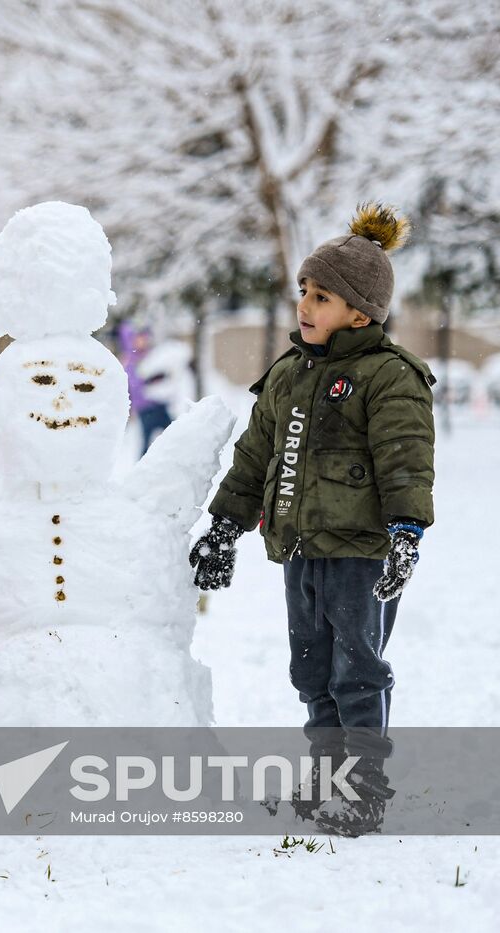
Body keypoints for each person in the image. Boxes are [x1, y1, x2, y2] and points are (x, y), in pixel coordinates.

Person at [188, 203, 436, 835]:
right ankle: (326, 773)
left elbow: (405, 461)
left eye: (321, 296)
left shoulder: (387, 377)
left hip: (361, 554)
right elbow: (254, 458)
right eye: (304, 290)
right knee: (312, 668)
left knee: (358, 667)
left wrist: (406, 534)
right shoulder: (289, 374)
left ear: (361, 312)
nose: (305, 305)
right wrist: (225, 527)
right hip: (299, 549)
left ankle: (364, 784)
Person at [115, 321, 172, 455]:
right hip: (144, 409)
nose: (143, 341)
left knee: (173, 433)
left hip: (159, 404)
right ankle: (142, 470)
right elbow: (133, 386)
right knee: (146, 443)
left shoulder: (150, 355)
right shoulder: (130, 360)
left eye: (144, 338)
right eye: (139, 338)